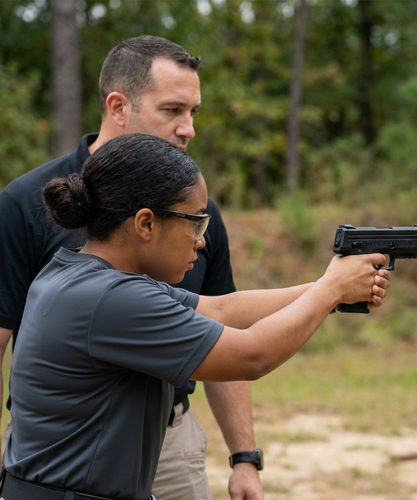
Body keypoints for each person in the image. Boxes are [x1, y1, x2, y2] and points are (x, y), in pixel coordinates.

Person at [1, 133, 390, 500]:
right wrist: (331, 291)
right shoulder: (112, 298)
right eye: (195, 221)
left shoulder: (86, 276)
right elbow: (252, 354)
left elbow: (223, 309)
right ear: (146, 223)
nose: (202, 239)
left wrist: (333, 284)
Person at [0, 36, 257, 500]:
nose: (188, 129)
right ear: (118, 106)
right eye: (173, 110)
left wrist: (244, 458)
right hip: (64, 452)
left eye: (194, 113)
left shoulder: (196, 211)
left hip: (169, 439)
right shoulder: (23, 204)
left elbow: (219, 321)